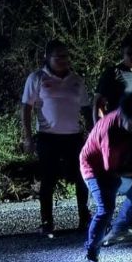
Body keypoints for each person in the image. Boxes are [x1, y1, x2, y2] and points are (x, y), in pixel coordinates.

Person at [21, 40, 92, 237]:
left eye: (66, 56)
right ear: (48, 57)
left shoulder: (77, 80)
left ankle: (84, 218)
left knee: (81, 177)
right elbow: (26, 108)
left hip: (74, 136)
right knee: (48, 179)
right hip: (48, 137)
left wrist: (93, 133)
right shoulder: (37, 78)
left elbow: (86, 109)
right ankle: (47, 221)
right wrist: (27, 137)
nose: (63, 60)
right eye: (58, 56)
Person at [79, 92, 132, 262]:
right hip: (95, 169)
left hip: (118, 161)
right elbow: (111, 170)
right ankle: (90, 256)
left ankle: (119, 228)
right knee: (105, 208)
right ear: (125, 118)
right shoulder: (109, 132)